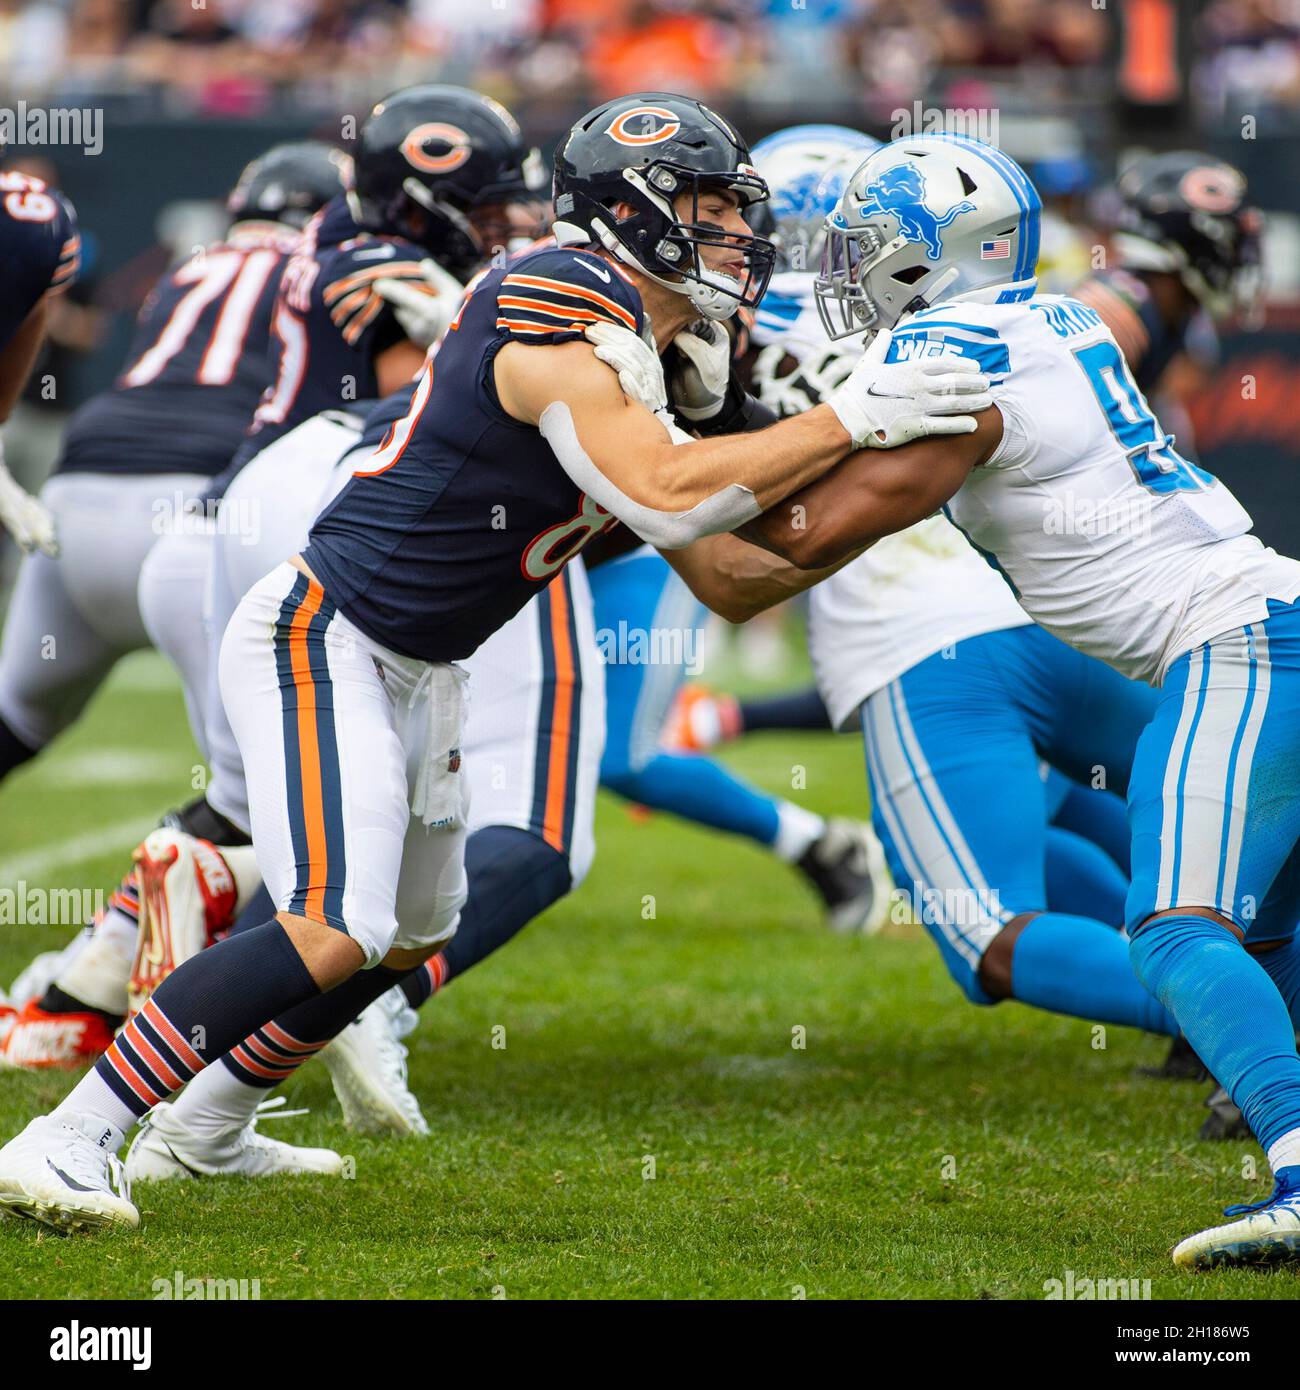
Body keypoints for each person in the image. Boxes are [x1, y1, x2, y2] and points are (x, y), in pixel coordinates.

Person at [0, 92, 989, 1232]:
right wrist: (847, 421)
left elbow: (724, 570)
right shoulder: (555, 294)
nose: (735, 233)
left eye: (735, 208)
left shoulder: (677, 350)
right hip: (327, 633)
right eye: (709, 206)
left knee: (413, 931)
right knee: (333, 922)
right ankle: (68, 1135)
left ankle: (209, 1123)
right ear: (635, 210)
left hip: (424, 664)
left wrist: (890, 492)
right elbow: (671, 497)